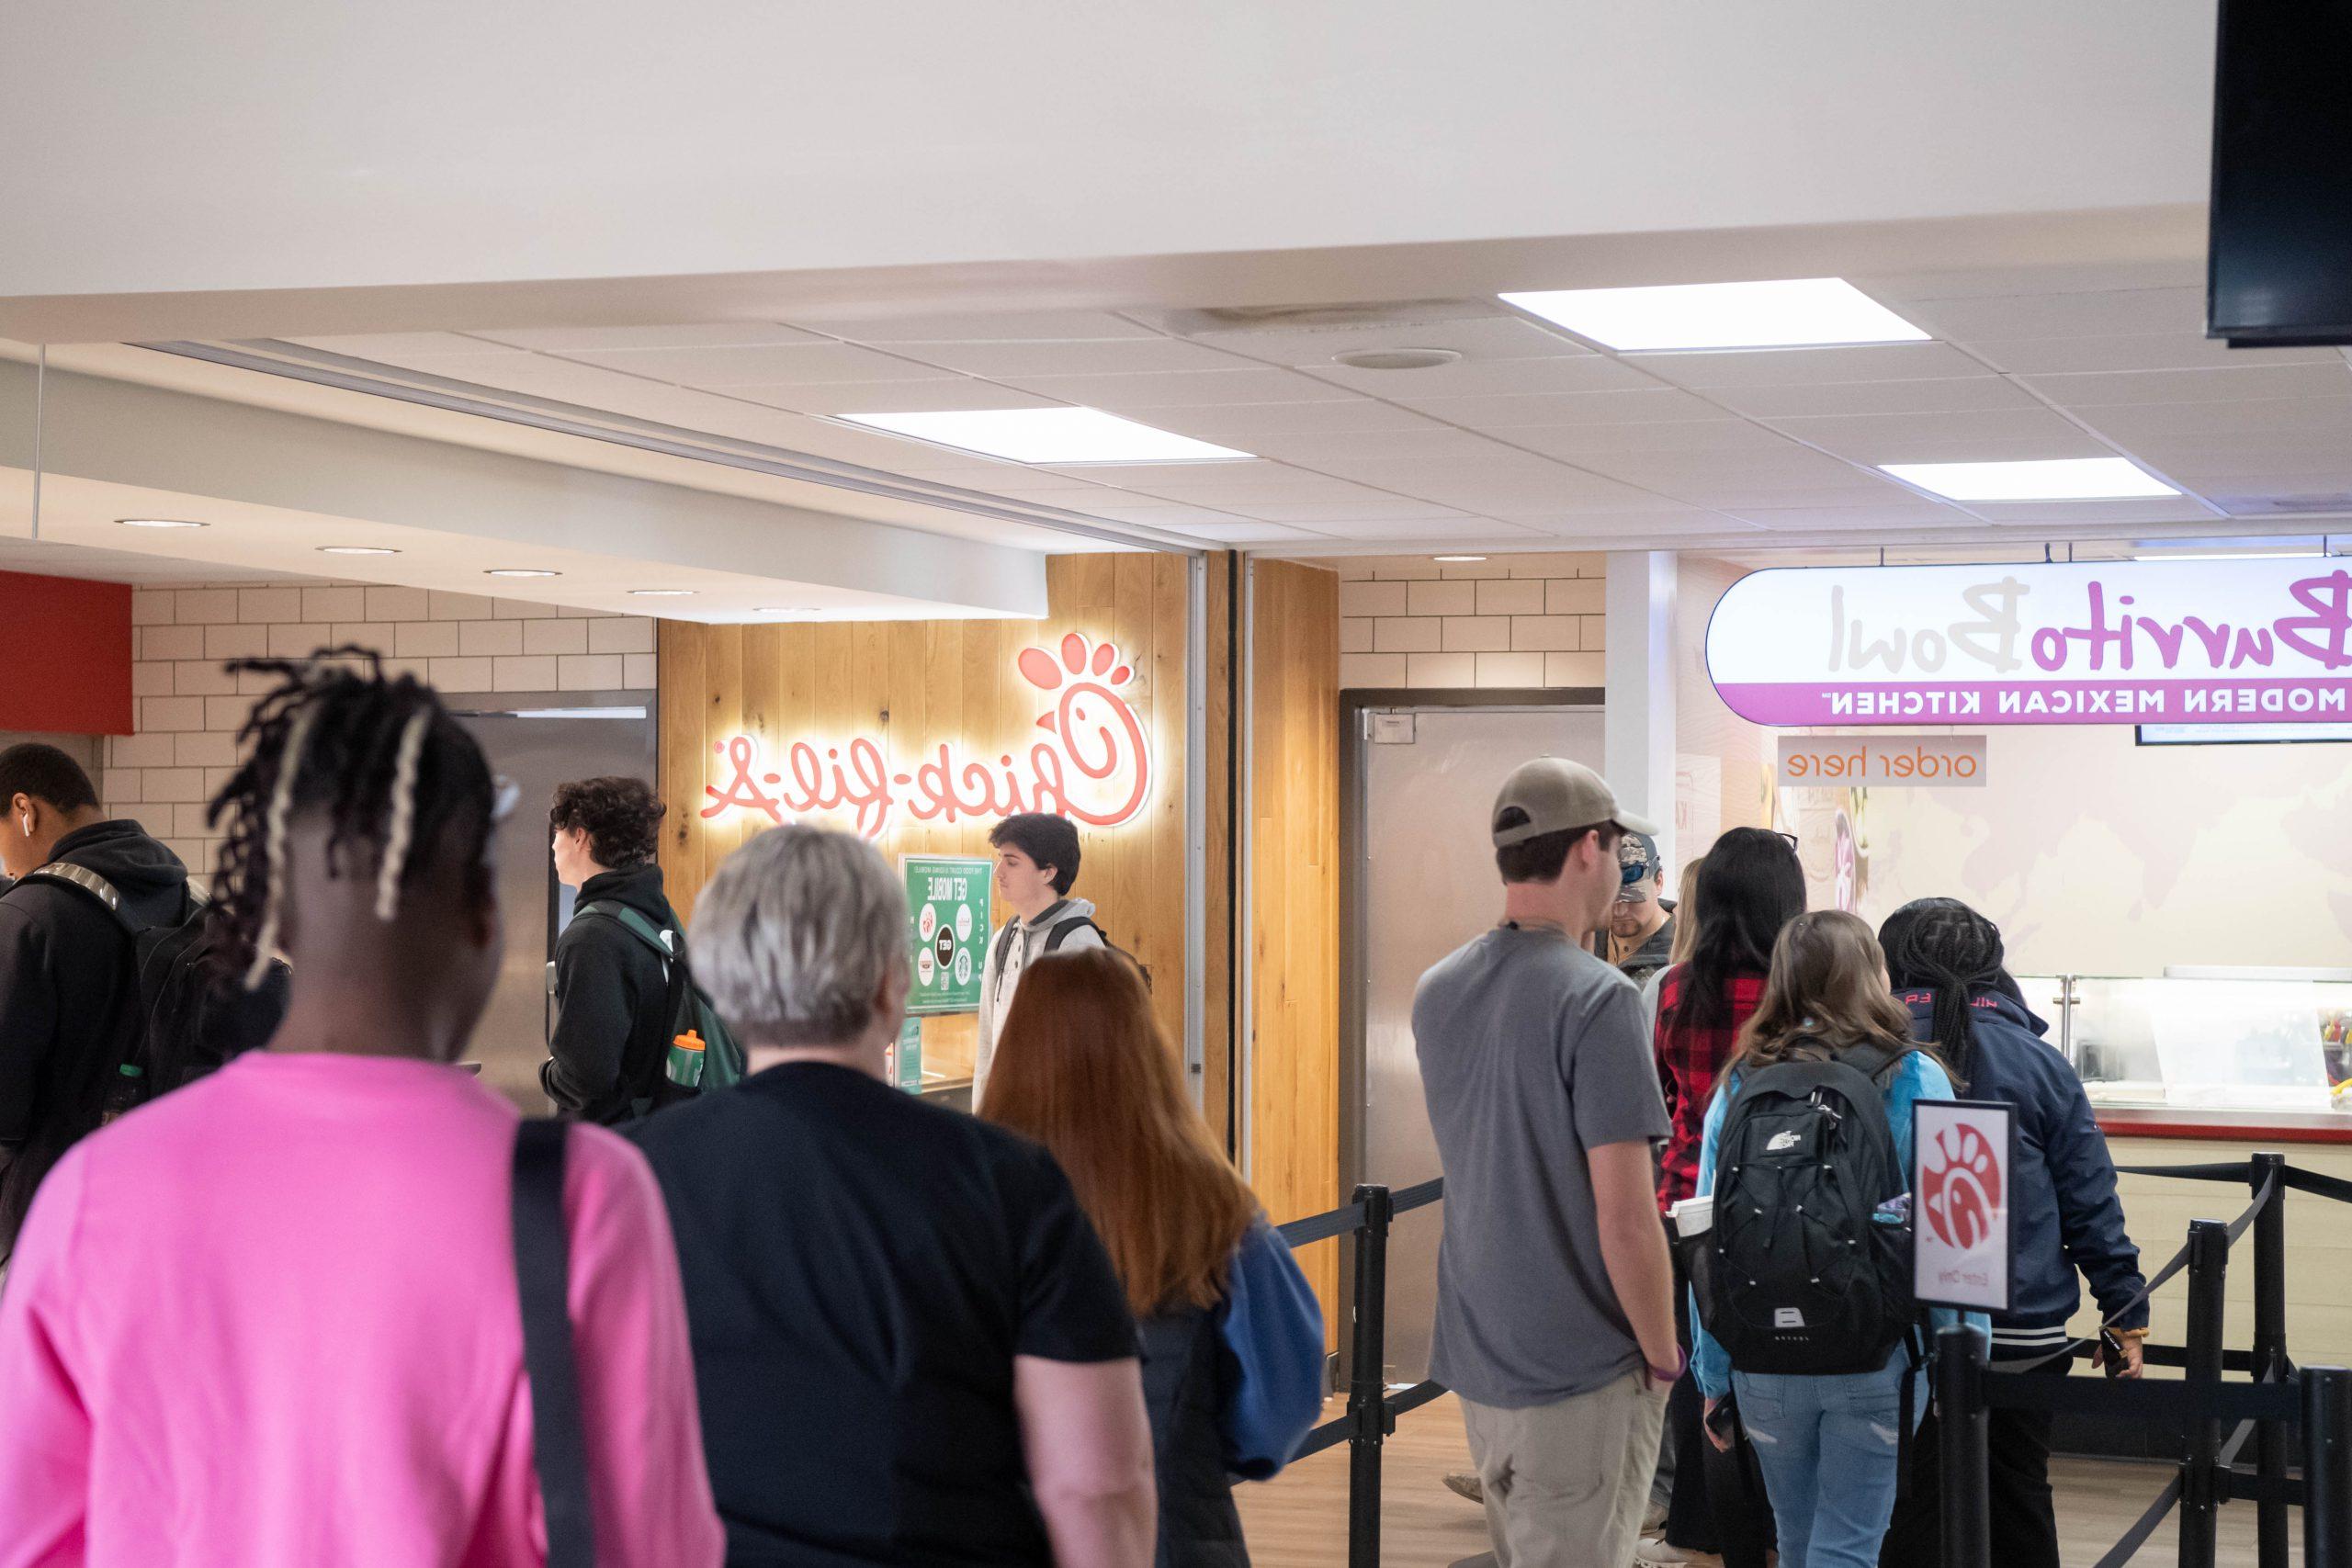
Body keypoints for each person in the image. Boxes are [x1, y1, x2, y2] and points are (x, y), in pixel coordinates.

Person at [0, 654, 722, 1566]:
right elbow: (647, 1546)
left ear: (272, 914)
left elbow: (34, 1540)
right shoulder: (582, 1202)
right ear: (483, 917)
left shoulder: (92, 1196)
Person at [625, 824, 1156, 1568]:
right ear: (890, 981)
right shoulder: (1008, 1182)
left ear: (721, 981)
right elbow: (1095, 1484)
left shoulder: (629, 1178)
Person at [1414, 757, 1680, 1568]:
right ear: (1589, 850)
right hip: (1578, 1364)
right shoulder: (1597, 1000)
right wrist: (1666, 1351)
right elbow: (1626, 1216)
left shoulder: (1438, 988)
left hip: (1478, 1346)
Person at [987, 947, 1325, 1568]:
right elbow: (1284, 1400)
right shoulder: (1216, 1210)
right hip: (1173, 1532)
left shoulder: (966, 1204)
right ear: (1148, 1050)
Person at [1690, 911, 1984, 1568]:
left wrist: (1713, 1373)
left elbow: (1707, 1235)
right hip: (1874, 1352)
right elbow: (1949, 1231)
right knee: (1850, 1542)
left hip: (1761, 1356)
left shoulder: (1740, 1080)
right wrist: (1961, 1355)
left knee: (1795, 1535)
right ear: (1872, 977)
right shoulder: (1913, 1075)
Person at [1875, 898, 2146, 1568]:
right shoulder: (2038, 1060)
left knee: (1906, 1503)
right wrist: (2125, 1307)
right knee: (2019, 1495)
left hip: (1898, 1327)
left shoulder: (1871, 1052)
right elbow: (2088, 1194)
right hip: (2023, 1327)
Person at [1642, 830, 1807, 1568]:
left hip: (1682, 1206)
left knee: (1697, 1376)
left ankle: (1703, 1529)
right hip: (1774, 1208)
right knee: (1773, 1372)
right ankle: (1770, 1531)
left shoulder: (1674, 988)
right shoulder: (1797, 993)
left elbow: (1665, 1095)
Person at [0, 744, 195, 1254]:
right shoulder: (186, 897)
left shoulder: (29, 916)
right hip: (171, 1203)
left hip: (56, 1219)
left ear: (25, 811)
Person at [541, 775, 687, 1122]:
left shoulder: (593, 937)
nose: (554, 845)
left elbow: (586, 1077)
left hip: (611, 1141)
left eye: (558, 833)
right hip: (658, 1127)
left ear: (580, 836)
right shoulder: (656, 914)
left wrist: (548, 1072)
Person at [976, 811, 1104, 1105]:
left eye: (1012, 862)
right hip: (1004, 1124)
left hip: (1056, 1125)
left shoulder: (1079, 945)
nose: (999, 872)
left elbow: (1091, 1059)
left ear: (1048, 872)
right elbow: (987, 1042)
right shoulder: (1003, 939)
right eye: (1000, 859)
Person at [1609, 830, 1677, 987]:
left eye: (1632, 900)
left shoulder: (1683, 953)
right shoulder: (1583, 935)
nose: (1619, 911)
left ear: (1658, 882)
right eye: (1610, 901)